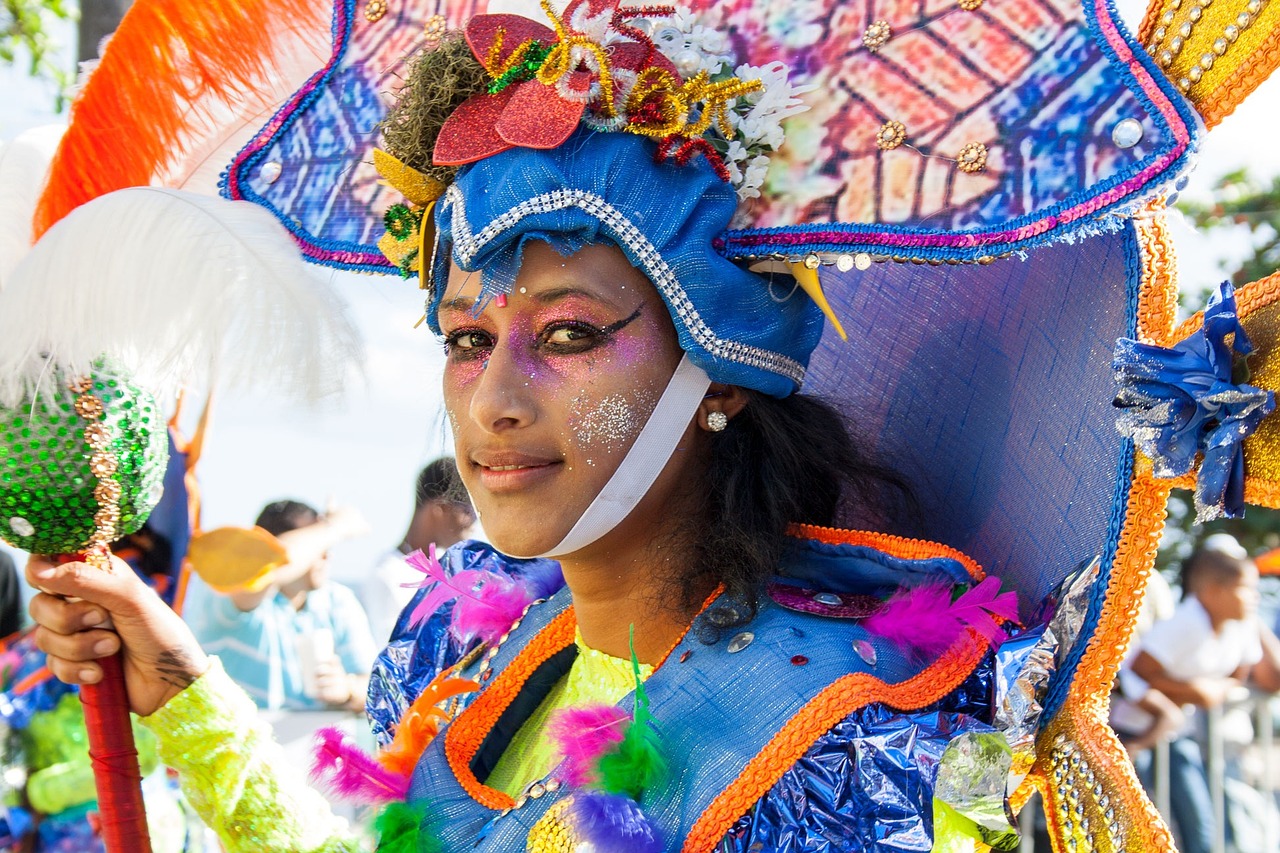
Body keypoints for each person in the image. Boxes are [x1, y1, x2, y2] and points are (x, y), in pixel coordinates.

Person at [23, 8, 1077, 852]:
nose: (493, 402)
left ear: (723, 366)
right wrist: (186, 696)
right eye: (465, 338)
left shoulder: (837, 736)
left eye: (569, 333)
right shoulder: (476, 661)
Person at [1117, 535, 1280, 853]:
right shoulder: (1186, 623)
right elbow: (1137, 669)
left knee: (1201, 826)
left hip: (1175, 735)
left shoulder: (1238, 624)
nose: (1255, 597)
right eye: (1245, 589)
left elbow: (1240, 674)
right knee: (1140, 825)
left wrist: (1214, 690)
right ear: (1213, 591)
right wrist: (1193, 691)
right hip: (1135, 730)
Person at [186, 500, 379, 712]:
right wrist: (335, 527)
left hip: (310, 742)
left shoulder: (338, 601)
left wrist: (347, 689)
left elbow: (376, 689)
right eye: (317, 545)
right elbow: (268, 565)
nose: (327, 555)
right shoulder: (229, 593)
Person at [361, 458, 475, 643]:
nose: (475, 522)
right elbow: (393, 654)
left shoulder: (450, 564)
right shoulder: (388, 575)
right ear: (440, 509)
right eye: (468, 510)